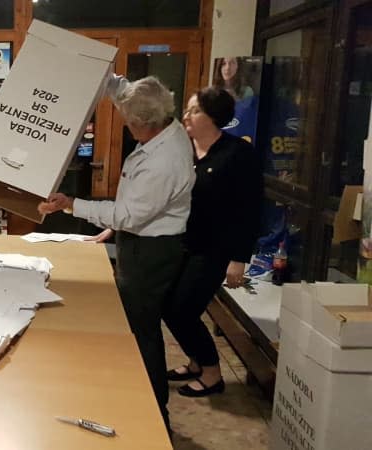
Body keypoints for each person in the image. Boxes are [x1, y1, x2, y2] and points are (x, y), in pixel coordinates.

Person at [38, 74, 195, 430]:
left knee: (142, 331)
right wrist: (93, 69)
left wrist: (71, 204)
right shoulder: (160, 115)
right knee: (136, 324)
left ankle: (156, 417)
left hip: (152, 251)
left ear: (145, 123)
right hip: (142, 239)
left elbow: (128, 214)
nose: (127, 128)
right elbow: (123, 89)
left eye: (130, 124)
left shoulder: (165, 161)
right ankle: (140, 400)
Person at [163, 87, 263, 396]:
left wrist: (239, 258)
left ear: (213, 117)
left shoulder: (237, 154)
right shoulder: (183, 150)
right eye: (188, 110)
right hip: (182, 243)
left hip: (215, 248)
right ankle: (195, 362)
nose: (186, 116)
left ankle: (211, 373)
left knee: (183, 310)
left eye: (194, 111)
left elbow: (250, 209)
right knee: (169, 307)